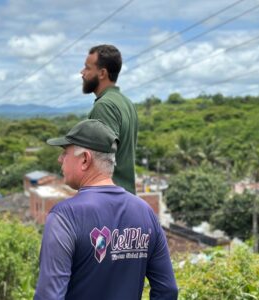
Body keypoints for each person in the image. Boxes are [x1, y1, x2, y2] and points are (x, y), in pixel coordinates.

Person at [34, 119, 178, 300]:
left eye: (65, 152)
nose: (60, 159)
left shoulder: (64, 217)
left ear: (85, 159)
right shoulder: (145, 212)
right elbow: (168, 290)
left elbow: (49, 296)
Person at [81, 44, 138, 194]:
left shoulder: (104, 106)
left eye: (87, 68)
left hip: (109, 201)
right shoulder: (126, 103)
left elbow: (101, 164)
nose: (82, 73)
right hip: (123, 198)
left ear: (102, 73)